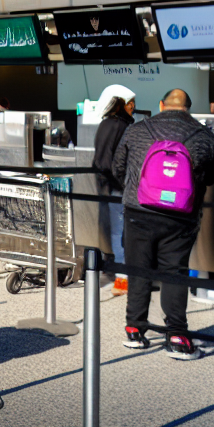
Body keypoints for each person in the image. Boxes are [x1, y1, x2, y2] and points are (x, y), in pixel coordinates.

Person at [112, 88, 214, 359]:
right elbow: (210, 178)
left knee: (138, 269)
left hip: (138, 211)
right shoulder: (204, 135)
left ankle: (135, 331)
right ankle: (177, 336)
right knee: (174, 271)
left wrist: (138, 187)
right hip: (180, 217)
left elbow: (117, 169)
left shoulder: (136, 130)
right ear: (189, 108)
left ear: (161, 105)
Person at [90, 85, 136, 299]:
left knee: (119, 233)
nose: (133, 107)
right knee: (121, 234)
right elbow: (112, 160)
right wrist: (123, 183)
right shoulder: (120, 126)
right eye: (129, 103)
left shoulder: (106, 123)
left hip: (108, 186)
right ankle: (123, 279)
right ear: (120, 104)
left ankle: (122, 277)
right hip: (118, 187)